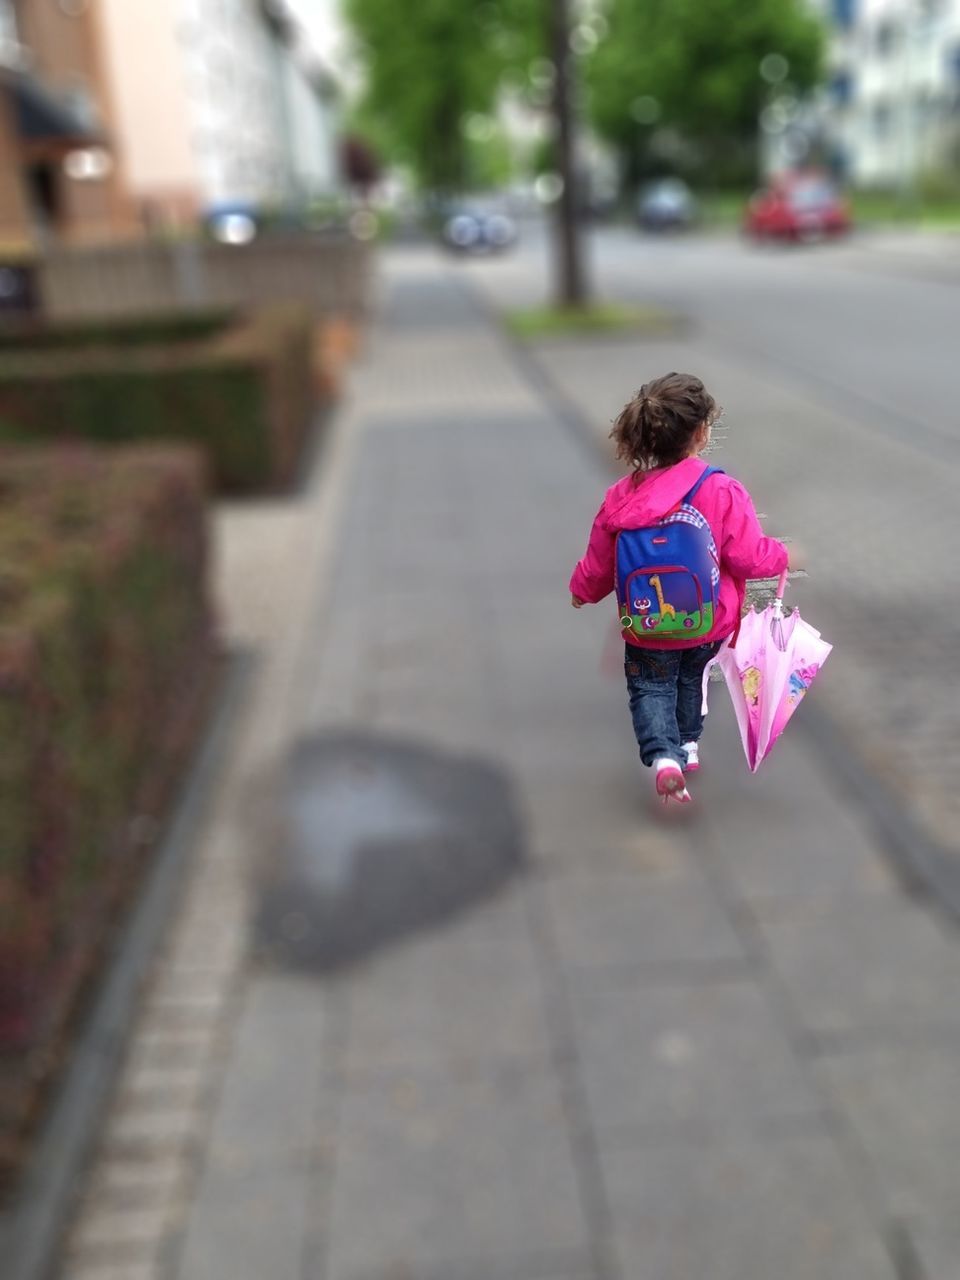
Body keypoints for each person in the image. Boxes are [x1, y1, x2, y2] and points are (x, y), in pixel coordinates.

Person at [569, 372, 796, 804]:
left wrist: (581, 590)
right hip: (706, 622)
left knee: (652, 686)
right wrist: (781, 556)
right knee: (692, 680)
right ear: (700, 434)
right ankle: (688, 745)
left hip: (646, 621)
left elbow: (599, 563)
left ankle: (664, 759)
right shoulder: (721, 490)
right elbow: (747, 557)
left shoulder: (620, 496)